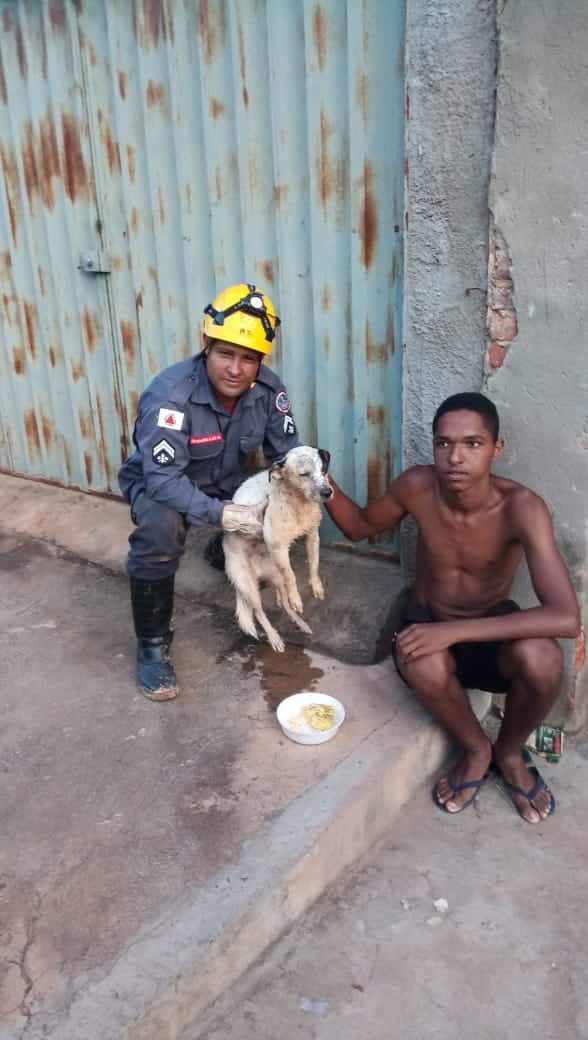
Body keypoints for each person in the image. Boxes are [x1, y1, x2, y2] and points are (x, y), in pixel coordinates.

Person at [324, 392, 580, 823]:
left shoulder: (523, 508)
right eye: (444, 444)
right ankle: (478, 749)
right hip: (429, 622)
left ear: (496, 449)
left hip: (485, 631)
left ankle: (511, 752)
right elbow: (358, 527)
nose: (455, 458)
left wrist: (455, 632)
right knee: (419, 657)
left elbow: (565, 618)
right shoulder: (418, 486)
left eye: (472, 444)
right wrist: (316, 475)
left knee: (543, 657)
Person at [118, 283, 299, 701]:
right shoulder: (171, 395)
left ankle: (222, 547)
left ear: (261, 361)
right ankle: (152, 645)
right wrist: (222, 514)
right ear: (206, 345)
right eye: (226, 354)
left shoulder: (269, 392)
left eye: (248, 359)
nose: (236, 369)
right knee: (160, 530)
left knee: (277, 496)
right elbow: (162, 480)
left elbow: (285, 457)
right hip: (161, 482)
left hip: (226, 479)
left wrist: (296, 501)